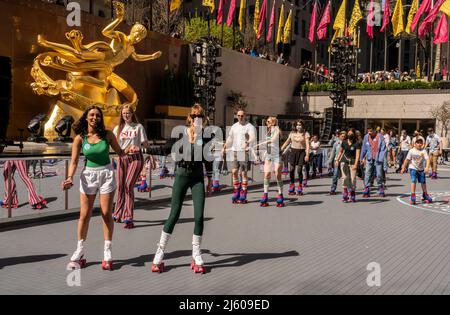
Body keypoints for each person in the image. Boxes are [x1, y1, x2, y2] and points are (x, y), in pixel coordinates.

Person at [63, 105, 140, 271]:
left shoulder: (108, 134)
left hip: (106, 174)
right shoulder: (79, 138)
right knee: (84, 214)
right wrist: (69, 177)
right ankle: (80, 250)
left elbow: (120, 152)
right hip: (88, 176)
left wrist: (129, 150)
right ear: (86, 117)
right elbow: (74, 161)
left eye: (97, 115)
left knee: (106, 213)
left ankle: (107, 250)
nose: (94, 118)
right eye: (91, 115)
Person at [151, 104, 212, 274]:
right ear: (189, 118)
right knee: (174, 214)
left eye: (199, 117)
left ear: (204, 119)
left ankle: (196, 253)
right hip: (182, 176)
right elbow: (164, 149)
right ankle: (160, 252)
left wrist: (210, 179)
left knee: (199, 216)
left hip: (197, 178)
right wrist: (143, 150)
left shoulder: (206, 136)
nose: (196, 120)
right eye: (194, 117)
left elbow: (208, 159)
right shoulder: (179, 133)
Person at [112, 104, 155, 229]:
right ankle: (118, 213)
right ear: (121, 114)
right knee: (120, 186)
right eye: (124, 113)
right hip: (122, 159)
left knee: (128, 185)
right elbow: (114, 147)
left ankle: (128, 217)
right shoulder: (118, 129)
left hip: (135, 159)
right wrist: (118, 154)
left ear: (132, 114)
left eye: (128, 113)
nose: (126, 115)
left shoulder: (138, 127)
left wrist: (147, 153)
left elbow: (146, 144)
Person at [223, 109, 257, 204]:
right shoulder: (234, 126)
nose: (240, 117)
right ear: (236, 116)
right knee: (234, 171)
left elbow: (252, 137)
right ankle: (236, 190)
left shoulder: (249, 126)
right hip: (235, 150)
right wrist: (224, 147)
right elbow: (230, 138)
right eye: (238, 115)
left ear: (245, 116)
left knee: (243, 173)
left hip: (244, 151)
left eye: (242, 115)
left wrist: (247, 142)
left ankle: (243, 192)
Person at [259, 117, 284, 207]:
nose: (267, 123)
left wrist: (261, 143)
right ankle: (265, 195)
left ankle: (280, 194)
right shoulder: (268, 131)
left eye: (269, 121)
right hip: (268, 154)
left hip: (277, 154)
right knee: (266, 174)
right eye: (267, 121)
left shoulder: (277, 130)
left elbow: (273, 140)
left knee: (277, 173)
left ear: (273, 122)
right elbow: (267, 144)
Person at [281, 120, 310, 196]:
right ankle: (292, 184)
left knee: (299, 169)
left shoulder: (306, 134)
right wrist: (281, 149)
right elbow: (287, 142)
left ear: (303, 126)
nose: (298, 126)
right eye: (297, 125)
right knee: (291, 169)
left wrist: (307, 155)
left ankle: (300, 185)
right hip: (293, 151)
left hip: (302, 152)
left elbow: (307, 145)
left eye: (300, 125)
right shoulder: (292, 133)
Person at [401, 138, 433, 205]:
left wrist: (427, 167)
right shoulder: (411, 151)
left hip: (421, 168)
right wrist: (403, 167)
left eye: (420, 143)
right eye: (418, 143)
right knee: (413, 180)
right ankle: (413, 195)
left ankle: (425, 194)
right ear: (415, 144)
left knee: (423, 182)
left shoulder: (423, 151)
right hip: (413, 167)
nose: (419, 144)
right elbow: (407, 160)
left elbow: (428, 160)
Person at [360, 127, 387, 197]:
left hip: (378, 159)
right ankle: (367, 189)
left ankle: (380, 188)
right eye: (368, 131)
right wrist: (361, 158)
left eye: (371, 131)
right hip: (369, 158)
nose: (369, 133)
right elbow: (364, 148)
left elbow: (383, 149)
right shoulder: (366, 137)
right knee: (367, 173)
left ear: (375, 131)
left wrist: (380, 159)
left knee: (379, 174)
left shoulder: (380, 137)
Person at [335, 129, 361, 203]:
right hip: (344, 161)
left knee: (352, 179)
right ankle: (345, 192)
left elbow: (357, 155)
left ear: (354, 135)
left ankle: (352, 192)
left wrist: (356, 164)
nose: (349, 135)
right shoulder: (344, 142)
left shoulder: (357, 143)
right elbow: (340, 151)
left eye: (351, 133)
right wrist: (337, 160)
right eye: (348, 133)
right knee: (345, 178)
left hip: (352, 162)